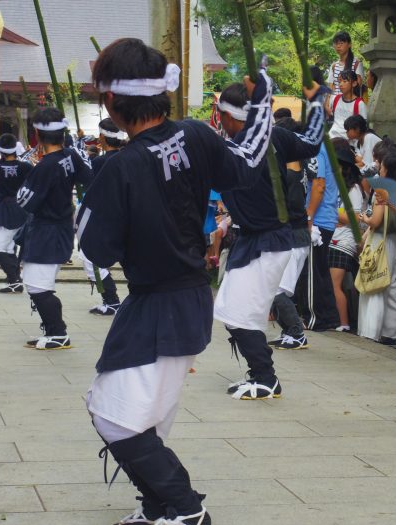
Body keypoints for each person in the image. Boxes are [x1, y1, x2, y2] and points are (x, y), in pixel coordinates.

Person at [75, 38, 275, 525]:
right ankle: (158, 505)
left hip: (158, 302)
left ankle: (186, 510)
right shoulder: (197, 136)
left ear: (113, 103)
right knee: (145, 414)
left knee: (114, 414)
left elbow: (93, 247)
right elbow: (247, 161)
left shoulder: (119, 168)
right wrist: (264, 96)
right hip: (188, 296)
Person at [214, 78, 324, 398]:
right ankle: (262, 374)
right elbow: (314, 142)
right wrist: (317, 106)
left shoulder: (238, 148)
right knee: (232, 311)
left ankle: (265, 376)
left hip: (268, 242)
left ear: (228, 116)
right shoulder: (273, 137)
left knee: (237, 313)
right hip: (260, 240)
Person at [17, 108, 93, 350]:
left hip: (47, 230)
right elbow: (87, 177)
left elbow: (25, 200)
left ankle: (58, 333)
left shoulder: (45, 166)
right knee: (38, 283)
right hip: (59, 226)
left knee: (38, 286)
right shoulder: (70, 155)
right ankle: (52, 331)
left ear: (37, 134)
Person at [268, 117, 314, 350]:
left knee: (278, 290)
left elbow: (292, 207)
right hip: (292, 236)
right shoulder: (296, 165)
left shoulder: (293, 172)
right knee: (276, 288)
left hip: (294, 237)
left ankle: (297, 332)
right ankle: (289, 331)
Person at [357, 149, 396, 342]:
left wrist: (364, 218)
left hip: (381, 241)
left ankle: (371, 331)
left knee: (375, 284)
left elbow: (375, 221)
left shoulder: (382, 189)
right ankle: (394, 333)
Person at [81, 117, 124, 315]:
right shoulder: (128, 157)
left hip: (105, 217)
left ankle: (111, 299)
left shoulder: (99, 162)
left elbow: (93, 190)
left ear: (101, 138)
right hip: (127, 215)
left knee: (90, 259)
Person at [297, 141, 341, 331]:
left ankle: (313, 317)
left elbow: (319, 184)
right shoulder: (323, 146)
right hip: (325, 217)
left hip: (319, 219)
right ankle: (329, 317)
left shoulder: (315, 148)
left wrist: (309, 216)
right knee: (320, 270)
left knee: (312, 271)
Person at [328, 141, 364, 332]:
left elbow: (354, 217)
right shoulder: (336, 187)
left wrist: (332, 212)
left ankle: (344, 323)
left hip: (344, 241)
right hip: (335, 237)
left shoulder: (354, 190)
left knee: (335, 284)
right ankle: (338, 321)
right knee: (332, 283)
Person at [0, 134, 32, 293]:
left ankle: (14, 280)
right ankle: (15, 280)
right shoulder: (26, 166)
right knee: (7, 247)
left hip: (6, 208)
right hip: (23, 207)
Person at [327, 70, 368, 139]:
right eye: (339, 81)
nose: (341, 84)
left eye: (345, 81)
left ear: (354, 83)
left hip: (349, 143)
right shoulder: (335, 99)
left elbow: (363, 128)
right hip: (332, 137)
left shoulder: (359, 104)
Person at [327, 31, 364, 95]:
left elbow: (358, 87)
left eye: (341, 43)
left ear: (349, 44)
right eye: (336, 43)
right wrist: (328, 103)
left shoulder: (357, 64)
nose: (338, 46)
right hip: (335, 102)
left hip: (350, 103)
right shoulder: (334, 66)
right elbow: (331, 88)